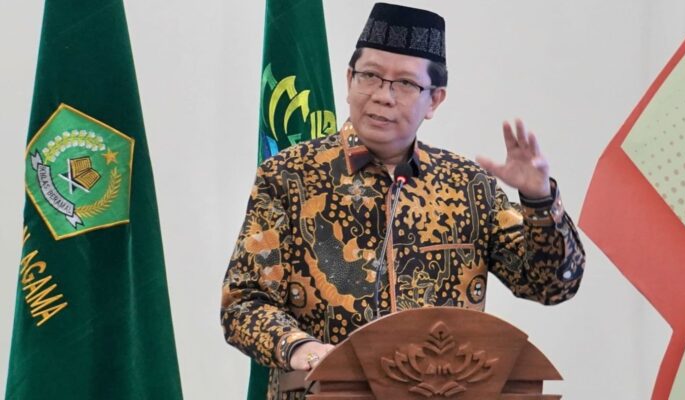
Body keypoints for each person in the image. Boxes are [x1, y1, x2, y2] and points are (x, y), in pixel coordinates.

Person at [221, 3, 586, 399]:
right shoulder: (289, 176)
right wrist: (302, 350)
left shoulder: (467, 185)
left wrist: (539, 200)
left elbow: (551, 285)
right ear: (349, 79)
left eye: (406, 84)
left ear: (435, 100)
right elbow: (243, 302)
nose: (383, 96)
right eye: (370, 76)